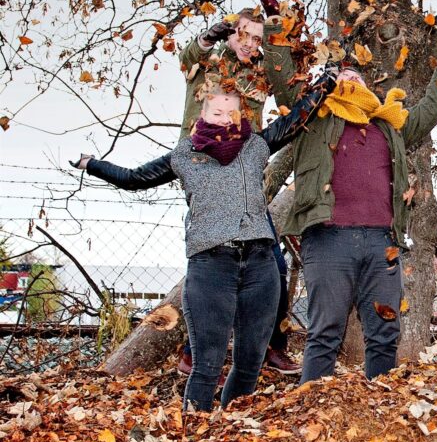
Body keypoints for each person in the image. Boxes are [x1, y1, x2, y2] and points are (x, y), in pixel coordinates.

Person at [74, 72, 334, 411]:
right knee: (207, 365)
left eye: (232, 113)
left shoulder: (255, 146)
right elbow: (135, 179)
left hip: (259, 265)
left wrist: (326, 83)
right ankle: (193, 435)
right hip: (211, 265)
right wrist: (91, 164)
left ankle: (230, 429)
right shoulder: (184, 156)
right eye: (217, 113)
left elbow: (294, 121)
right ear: (203, 115)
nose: (225, 119)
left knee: (250, 364)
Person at [285, 25, 437, 383]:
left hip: (381, 243)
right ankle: (308, 417)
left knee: (384, 334)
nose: (350, 77)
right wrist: (278, 29)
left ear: (371, 90)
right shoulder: (313, 119)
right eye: (342, 75)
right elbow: (281, 81)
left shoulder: (390, 126)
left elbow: (430, 109)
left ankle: (378, 412)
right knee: (325, 332)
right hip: (328, 239)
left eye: (357, 75)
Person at [175, 0, 304, 377]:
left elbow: (287, 71)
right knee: (214, 261)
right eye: (241, 35)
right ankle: (194, 350)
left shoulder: (261, 72)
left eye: (256, 38)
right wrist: (207, 37)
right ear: (230, 33)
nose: (248, 44)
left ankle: (270, 345)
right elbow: (188, 57)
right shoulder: (208, 65)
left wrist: (279, 21)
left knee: (270, 266)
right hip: (206, 172)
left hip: (247, 178)